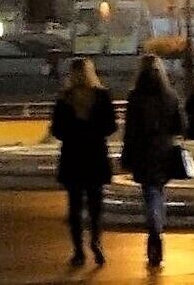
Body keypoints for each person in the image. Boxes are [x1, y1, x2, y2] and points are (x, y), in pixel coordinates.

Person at [49, 56, 119, 266]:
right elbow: (111, 126)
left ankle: (78, 250)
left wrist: (74, 133)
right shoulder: (102, 96)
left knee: (74, 205)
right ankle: (96, 243)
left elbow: (57, 129)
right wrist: (94, 132)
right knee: (96, 204)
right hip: (95, 154)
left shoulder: (65, 98)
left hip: (73, 156)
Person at [121, 55, 186, 269]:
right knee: (157, 191)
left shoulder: (135, 97)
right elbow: (181, 126)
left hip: (142, 151)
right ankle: (157, 229)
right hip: (164, 151)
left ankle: (154, 231)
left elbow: (129, 130)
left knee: (150, 192)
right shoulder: (170, 95)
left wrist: (127, 156)